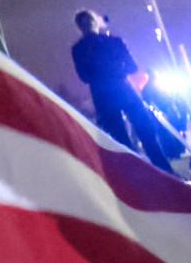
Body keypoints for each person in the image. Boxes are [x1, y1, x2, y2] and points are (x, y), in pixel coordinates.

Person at [69, 11, 177, 173]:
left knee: (119, 137)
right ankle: (163, 169)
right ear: (95, 22)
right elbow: (132, 67)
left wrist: (99, 74)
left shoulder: (78, 49)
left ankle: (135, 174)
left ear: (79, 27)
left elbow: (84, 77)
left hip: (101, 93)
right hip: (122, 87)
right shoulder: (114, 41)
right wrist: (116, 70)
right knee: (145, 130)